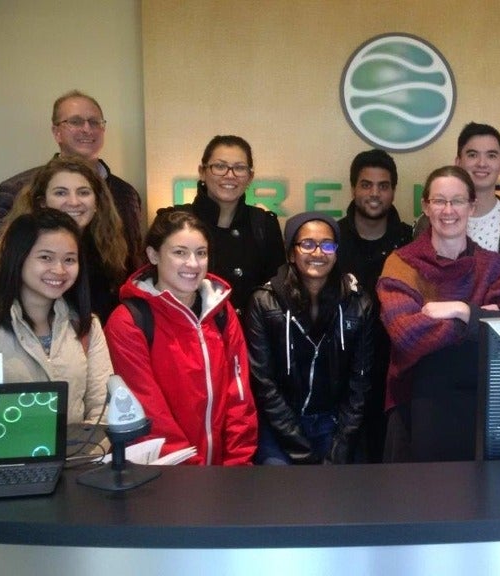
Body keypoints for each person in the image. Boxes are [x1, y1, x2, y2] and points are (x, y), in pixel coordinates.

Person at [378, 166, 500, 462]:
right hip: (416, 409)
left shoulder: (496, 267)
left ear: (472, 206)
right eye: (439, 201)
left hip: (484, 408)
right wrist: (479, 321)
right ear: (426, 206)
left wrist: (462, 311)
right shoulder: (401, 265)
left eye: (458, 201)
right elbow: (406, 335)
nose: (448, 210)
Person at [105, 210, 257, 466]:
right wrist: (191, 474)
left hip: (224, 474)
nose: (193, 264)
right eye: (179, 252)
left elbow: (239, 395)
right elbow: (149, 412)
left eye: (201, 253)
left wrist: (238, 465)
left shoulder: (221, 311)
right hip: (166, 478)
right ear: (154, 255)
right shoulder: (129, 321)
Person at [0, 209, 109, 425]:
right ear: (18, 258)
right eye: (45, 257)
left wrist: (87, 454)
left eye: (69, 260)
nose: (59, 270)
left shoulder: (88, 326)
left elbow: (102, 408)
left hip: (79, 456)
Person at [0, 90, 142, 281]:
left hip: (107, 308)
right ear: (57, 132)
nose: (87, 129)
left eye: (95, 122)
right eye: (76, 122)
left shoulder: (126, 194)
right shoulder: (17, 188)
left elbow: (133, 265)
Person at [245, 212, 373, 465]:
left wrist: (340, 446)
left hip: (336, 426)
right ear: (292, 253)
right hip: (281, 427)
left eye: (327, 244)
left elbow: (360, 385)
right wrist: (301, 449)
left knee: (345, 497)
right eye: (307, 244)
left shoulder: (358, 303)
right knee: (283, 496)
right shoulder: (264, 302)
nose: (318, 253)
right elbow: (264, 383)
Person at [0, 156, 131, 323]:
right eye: (60, 192)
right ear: (42, 202)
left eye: (83, 192)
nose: (73, 201)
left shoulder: (110, 254)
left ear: (97, 204)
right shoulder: (13, 253)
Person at [335, 149, 412, 462]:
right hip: (341, 375)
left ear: (393, 191)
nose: (375, 193)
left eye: (383, 186)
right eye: (366, 185)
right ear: (353, 188)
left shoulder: (410, 241)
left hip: (394, 373)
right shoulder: (332, 239)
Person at [157, 135, 285, 316]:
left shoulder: (264, 225)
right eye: (219, 166)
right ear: (202, 171)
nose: (230, 175)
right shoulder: (173, 221)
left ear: (250, 176)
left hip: (249, 338)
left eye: (239, 168)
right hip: (188, 335)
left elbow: (276, 296)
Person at [413, 122, 500, 291]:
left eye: (491, 155)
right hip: (441, 316)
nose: (482, 163)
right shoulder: (429, 221)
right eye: (473, 155)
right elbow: (419, 284)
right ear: (458, 162)